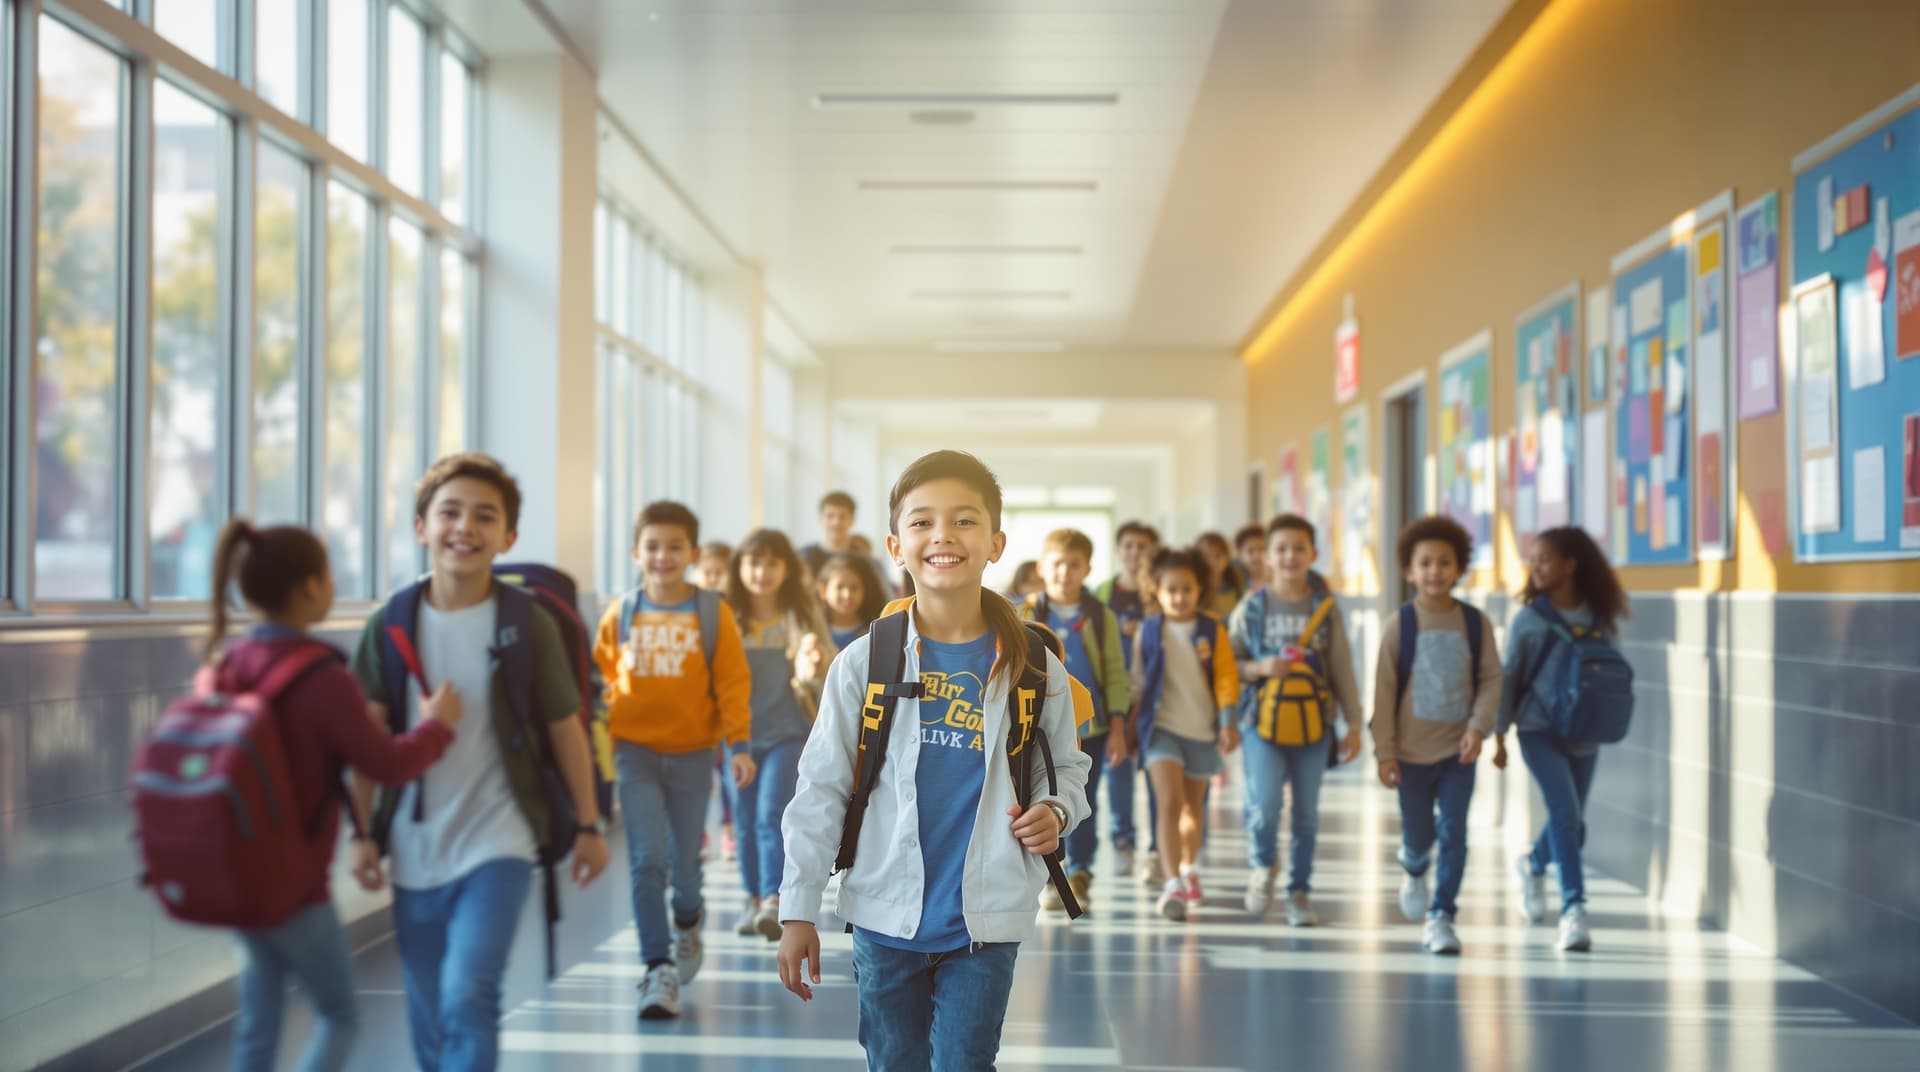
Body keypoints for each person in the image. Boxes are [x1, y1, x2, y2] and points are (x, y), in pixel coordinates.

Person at [775, 449, 1089, 1072]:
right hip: (884, 912)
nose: (943, 535)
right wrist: (796, 909)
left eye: (965, 520)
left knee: (966, 1062)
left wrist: (1056, 810)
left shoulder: (1034, 663)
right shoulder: (865, 662)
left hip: (987, 917)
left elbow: (1069, 768)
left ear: (996, 542)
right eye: (921, 522)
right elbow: (821, 789)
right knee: (893, 1061)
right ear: (895, 545)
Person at [349, 453, 609, 1070]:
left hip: (501, 838)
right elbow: (365, 742)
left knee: (469, 991)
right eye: (450, 512)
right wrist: (361, 834)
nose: (465, 526)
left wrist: (590, 825)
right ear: (421, 527)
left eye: (484, 516)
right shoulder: (389, 625)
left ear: (507, 537)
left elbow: (565, 729)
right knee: (428, 1007)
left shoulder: (528, 622)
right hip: (415, 845)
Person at [208, 520, 460, 1072]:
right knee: (339, 1016)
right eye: (328, 574)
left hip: (237, 877)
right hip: (295, 888)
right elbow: (387, 764)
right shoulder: (321, 676)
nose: (334, 583)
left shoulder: (230, 664)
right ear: (308, 588)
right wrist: (436, 727)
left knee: (258, 1025)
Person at [594, 501, 755, 1019]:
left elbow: (732, 682)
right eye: (653, 546)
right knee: (646, 860)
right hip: (635, 752)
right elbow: (604, 672)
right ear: (636, 552)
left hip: (692, 755)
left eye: (674, 546)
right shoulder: (621, 612)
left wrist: (739, 744)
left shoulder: (712, 612)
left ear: (692, 552)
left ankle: (689, 918)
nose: (663, 556)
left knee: (685, 868)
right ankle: (656, 967)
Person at [1494, 526, 1629, 954]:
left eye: (1544, 559)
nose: (1535, 567)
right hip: (1537, 729)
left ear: (1571, 565)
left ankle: (1532, 864)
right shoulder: (1529, 620)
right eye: (1532, 559)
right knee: (1566, 814)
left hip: (1584, 731)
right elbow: (1509, 677)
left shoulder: (1599, 617)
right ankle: (1574, 911)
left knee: (1571, 822)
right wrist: (1497, 734)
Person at [1370, 515, 1501, 955]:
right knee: (1419, 834)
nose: (1435, 571)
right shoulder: (1399, 625)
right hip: (1409, 753)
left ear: (1459, 567)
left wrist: (1478, 728)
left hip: (1457, 752)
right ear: (1409, 570)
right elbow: (1384, 694)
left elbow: (1490, 680)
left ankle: (1442, 915)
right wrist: (1385, 753)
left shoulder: (1475, 623)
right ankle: (1412, 865)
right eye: (1424, 563)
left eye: (1445, 562)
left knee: (1455, 832)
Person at [1228, 514, 1362, 926]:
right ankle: (1264, 864)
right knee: (1265, 805)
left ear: (1313, 554)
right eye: (1281, 548)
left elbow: (1341, 666)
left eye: (1299, 548)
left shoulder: (1325, 609)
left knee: (1306, 814)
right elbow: (1228, 664)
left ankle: (1299, 892)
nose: (1290, 556)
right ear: (1266, 557)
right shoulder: (1250, 609)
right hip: (1260, 723)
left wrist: (1353, 723)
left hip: (1314, 724)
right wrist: (1259, 669)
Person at [728, 528, 833, 942]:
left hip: (788, 728)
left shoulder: (801, 613)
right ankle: (751, 897)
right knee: (743, 817)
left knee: (771, 811)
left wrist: (814, 659)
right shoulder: (726, 614)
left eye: (772, 562)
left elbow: (826, 662)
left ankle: (773, 897)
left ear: (787, 568)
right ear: (740, 568)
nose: (762, 572)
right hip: (737, 734)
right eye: (754, 562)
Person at [1125, 549, 1241, 921]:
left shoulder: (1212, 629)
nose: (1179, 596)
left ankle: (1190, 869)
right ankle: (1172, 881)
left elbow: (1226, 678)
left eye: (1187, 589)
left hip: (1202, 730)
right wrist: (1128, 728)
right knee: (1169, 803)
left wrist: (1228, 722)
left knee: (1193, 809)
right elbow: (1138, 683)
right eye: (1171, 589)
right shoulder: (1149, 630)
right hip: (1161, 730)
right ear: (1156, 591)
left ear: (1199, 590)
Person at [1021, 529, 1131, 912]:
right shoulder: (1026, 612)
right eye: (1056, 564)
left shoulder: (1102, 617)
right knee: (1045, 798)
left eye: (1073, 565)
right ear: (1041, 567)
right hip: (1041, 730)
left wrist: (1118, 725)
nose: (1064, 573)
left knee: (1083, 800)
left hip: (1092, 728)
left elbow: (1116, 673)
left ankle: (1081, 871)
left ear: (1087, 569)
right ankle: (1054, 873)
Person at [1096, 520, 1158, 880]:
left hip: (1153, 698)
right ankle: (1123, 842)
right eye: (1129, 545)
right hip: (1115, 697)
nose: (1135, 553)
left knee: (1154, 775)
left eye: (1143, 546)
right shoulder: (1103, 595)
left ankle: (1155, 851)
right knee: (1117, 773)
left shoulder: (1160, 593)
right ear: (1119, 549)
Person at [817, 551, 890, 651]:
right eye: (840, 587)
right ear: (823, 590)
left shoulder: (876, 633)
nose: (847, 595)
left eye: (854, 588)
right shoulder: (813, 632)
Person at [1194, 532, 1247, 621]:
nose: (1212, 561)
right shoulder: (1194, 591)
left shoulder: (1239, 590)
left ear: (1227, 558)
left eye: (1217, 556)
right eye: (1206, 557)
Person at [1233, 523, 1269, 593]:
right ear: (1240, 555)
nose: (1257, 555)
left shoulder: (1277, 579)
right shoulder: (1235, 581)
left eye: (1262, 549)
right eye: (1250, 551)